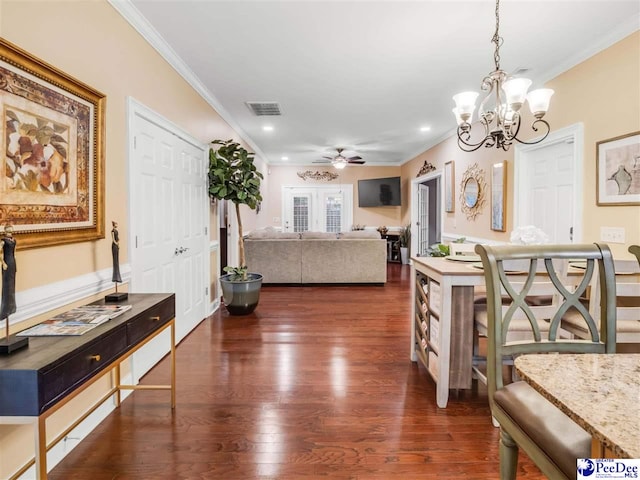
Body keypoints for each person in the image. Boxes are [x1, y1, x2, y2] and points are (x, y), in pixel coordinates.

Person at [0, 224, 17, 320]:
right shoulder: (3, 241)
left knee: (12, 284)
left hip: (12, 263)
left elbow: (15, 253)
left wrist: (16, 264)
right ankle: (5, 309)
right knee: (7, 285)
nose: (9, 233)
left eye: (11, 232)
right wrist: (3, 263)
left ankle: (11, 307)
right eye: (8, 232)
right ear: (5, 232)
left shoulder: (14, 240)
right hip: (6, 263)